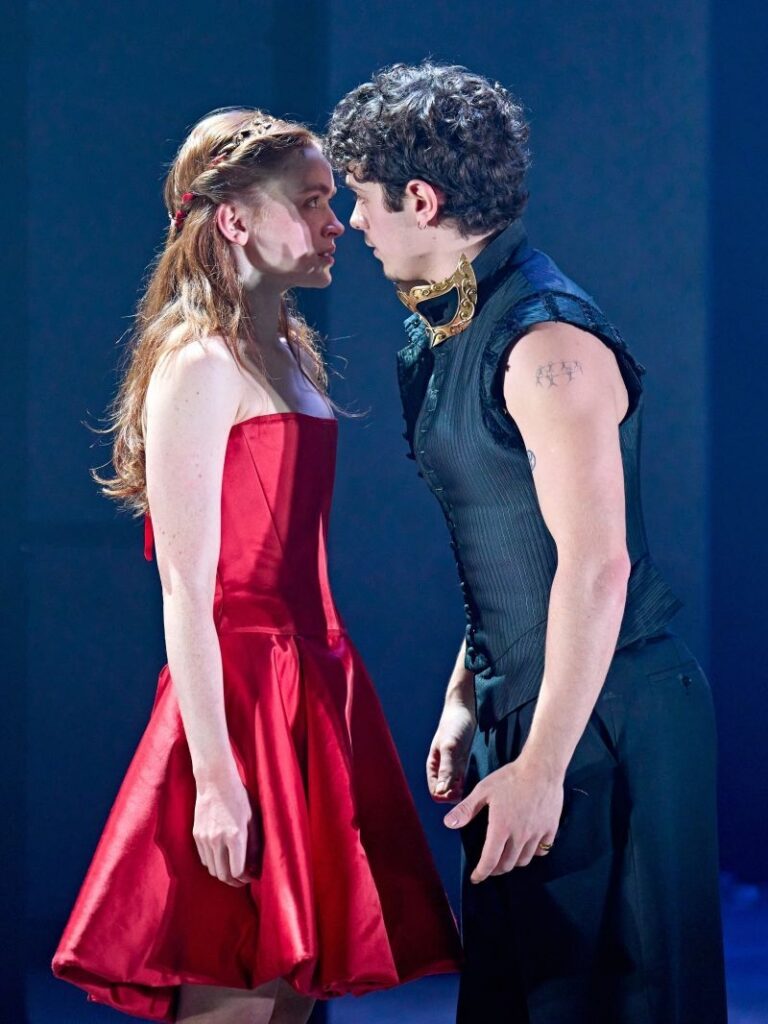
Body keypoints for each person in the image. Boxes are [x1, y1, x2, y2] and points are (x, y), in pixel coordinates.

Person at [326, 63, 727, 1023]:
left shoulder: (547, 345)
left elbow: (595, 568)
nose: (352, 220)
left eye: (362, 196)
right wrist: (467, 696)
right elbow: (508, 548)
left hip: (611, 717)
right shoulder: (447, 330)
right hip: (531, 705)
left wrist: (544, 764)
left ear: (421, 200)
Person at [52, 107, 461, 1024]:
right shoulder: (199, 363)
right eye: (310, 201)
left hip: (310, 683)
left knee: (292, 992)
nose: (335, 224)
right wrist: (216, 777)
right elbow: (186, 590)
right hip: (238, 699)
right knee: (238, 974)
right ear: (235, 218)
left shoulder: (285, 350)